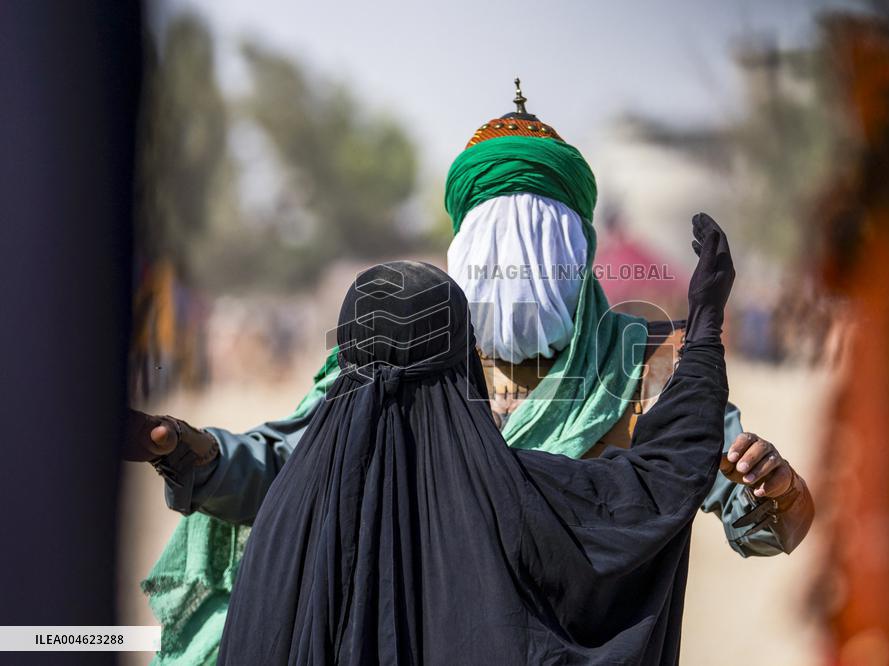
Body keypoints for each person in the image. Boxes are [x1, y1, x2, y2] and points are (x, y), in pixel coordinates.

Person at [133, 84, 812, 665]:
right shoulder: (405, 351)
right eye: (495, 244)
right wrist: (198, 453)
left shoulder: (647, 365)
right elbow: (299, 468)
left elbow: (761, 514)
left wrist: (770, 488)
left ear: (579, 251)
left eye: (538, 243)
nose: (514, 269)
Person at [217, 211, 733, 665]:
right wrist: (705, 327)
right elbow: (655, 488)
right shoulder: (502, 498)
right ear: (460, 356)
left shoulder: (281, 517)